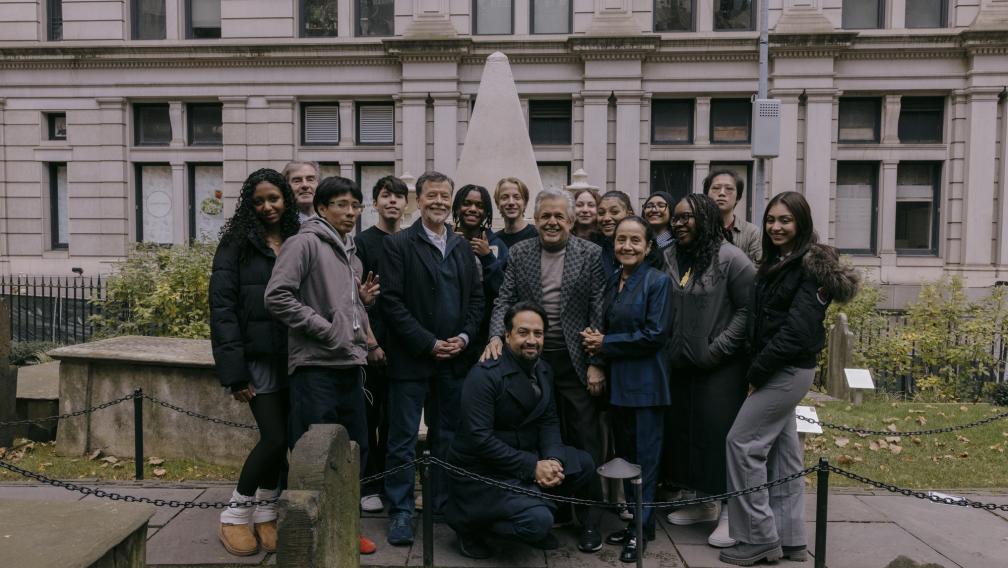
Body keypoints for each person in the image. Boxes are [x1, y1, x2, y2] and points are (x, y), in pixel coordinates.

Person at [721, 192, 858, 566]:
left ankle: (758, 538)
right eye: (770, 220)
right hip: (780, 368)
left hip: (784, 370)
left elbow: (797, 331)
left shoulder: (810, 268)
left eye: (785, 220)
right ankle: (792, 539)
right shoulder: (781, 262)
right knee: (783, 454)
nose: (776, 227)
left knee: (742, 444)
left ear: (801, 223)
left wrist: (757, 373)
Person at [264, 176, 381, 555]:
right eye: (342, 204)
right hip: (315, 367)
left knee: (352, 451)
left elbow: (345, 305)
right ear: (322, 208)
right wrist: (326, 330)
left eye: (355, 205)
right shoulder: (305, 243)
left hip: (350, 365)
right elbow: (277, 297)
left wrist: (361, 316)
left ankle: (346, 527)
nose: (350, 212)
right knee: (312, 457)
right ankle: (305, 534)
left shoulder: (352, 254)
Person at [482, 188, 607, 531]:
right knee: (545, 436)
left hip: (575, 360)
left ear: (570, 220)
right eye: (545, 216)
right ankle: (556, 508)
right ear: (534, 221)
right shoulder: (520, 252)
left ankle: (590, 520)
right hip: (531, 362)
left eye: (558, 216)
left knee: (584, 437)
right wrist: (496, 335)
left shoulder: (591, 253)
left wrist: (597, 361)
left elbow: (598, 306)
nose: (552, 222)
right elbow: (504, 298)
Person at [447, 302, 604, 559]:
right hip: (484, 474)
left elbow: (549, 421)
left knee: (583, 463)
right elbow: (480, 440)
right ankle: (471, 527)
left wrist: (552, 460)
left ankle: (533, 503)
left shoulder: (543, 369)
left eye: (538, 333)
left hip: (521, 460)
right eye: (523, 332)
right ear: (506, 335)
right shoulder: (484, 375)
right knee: (538, 521)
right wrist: (533, 467)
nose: (532, 340)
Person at [381, 171, 485, 546]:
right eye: (432, 196)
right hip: (412, 361)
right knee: (402, 438)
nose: (438, 202)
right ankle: (402, 512)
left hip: (454, 361)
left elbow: (476, 299)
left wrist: (464, 337)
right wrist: (428, 342)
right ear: (418, 200)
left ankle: (441, 504)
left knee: (448, 436)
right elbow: (391, 302)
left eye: (445, 196)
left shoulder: (460, 246)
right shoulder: (398, 245)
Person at [210, 169, 299, 557]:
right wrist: (234, 373)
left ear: (286, 200)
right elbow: (223, 309)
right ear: (250, 205)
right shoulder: (236, 244)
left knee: (284, 442)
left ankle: (266, 511)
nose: (267, 207)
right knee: (274, 437)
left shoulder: (298, 238)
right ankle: (234, 513)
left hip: (295, 355)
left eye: (274, 199)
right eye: (259, 201)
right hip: (257, 357)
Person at [660, 194, 755, 550]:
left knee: (719, 436)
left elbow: (747, 310)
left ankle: (730, 512)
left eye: (688, 217)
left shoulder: (732, 258)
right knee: (690, 434)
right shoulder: (670, 256)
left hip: (720, 366)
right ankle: (702, 502)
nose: (679, 223)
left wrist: (717, 349)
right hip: (681, 365)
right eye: (677, 218)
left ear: (706, 219)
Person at [580, 216, 672, 563]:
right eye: (621, 240)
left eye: (635, 240)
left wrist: (604, 343)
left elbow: (654, 334)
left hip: (647, 385)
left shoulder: (658, 282)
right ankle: (638, 523)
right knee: (628, 460)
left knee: (646, 462)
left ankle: (641, 531)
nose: (627, 246)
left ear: (648, 247)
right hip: (618, 387)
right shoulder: (612, 280)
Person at [354, 175, 409, 514]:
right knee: (368, 419)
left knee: (395, 422)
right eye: (386, 195)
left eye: (398, 196)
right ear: (375, 202)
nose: (392, 202)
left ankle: (392, 483)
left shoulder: (410, 240)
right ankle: (368, 484)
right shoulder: (361, 243)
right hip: (371, 347)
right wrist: (371, 343)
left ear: (406, 204)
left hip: (404, 346)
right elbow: (355, 299)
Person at [452, 183, 509, 347]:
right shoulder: (445, 240)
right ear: (457, 207)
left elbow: (504, 290)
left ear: (486, 212)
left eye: (479, 205)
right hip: (452, 330)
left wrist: (488, 258)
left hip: (487, 332)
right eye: (467, 203)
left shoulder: (497, 244)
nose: (472, 209)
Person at [705, 169, 761, 265]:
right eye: (716, 188)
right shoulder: (696, 229)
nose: (722, 193)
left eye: (729, 189)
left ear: (738, 197)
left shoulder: (752, 233)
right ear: (706, 195)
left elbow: (757, 271)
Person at [493, 177, 538, 248]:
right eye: (505, 197)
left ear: (525, 203)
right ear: (497, 204)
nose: (511, 202)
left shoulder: (538, 235)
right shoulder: (494, 241)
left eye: (517, 197)